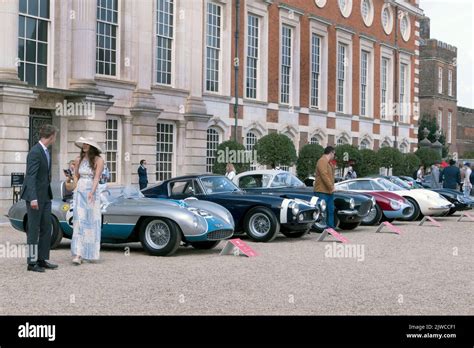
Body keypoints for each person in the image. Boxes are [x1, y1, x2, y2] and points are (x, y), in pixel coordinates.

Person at [20, 124, 59, 272]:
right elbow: (30, 177)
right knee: (33, 230)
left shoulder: (46, 151)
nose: (55, 138)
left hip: (46, 196)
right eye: (55, 136)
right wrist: (33, 198)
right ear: (52, 136)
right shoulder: (35, 152)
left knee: (46, 227)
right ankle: (31, 263)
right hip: (35, 196)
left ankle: (42, 259)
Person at [70, 137, 105, 265]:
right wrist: (71, 176)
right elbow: (76, 176)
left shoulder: (98, 160)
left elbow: (96, 178)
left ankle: (90, 253)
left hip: (91, 192)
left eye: (87, 144)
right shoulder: (78, 159)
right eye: (83, 143)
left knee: (91, 222)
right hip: (79, 191)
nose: (84, 145)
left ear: (92, 146)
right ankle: (78, 253)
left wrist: (92, 192)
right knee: (79, 221)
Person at [314, 146, 336, 229]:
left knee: (330, 210)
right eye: (334, 154)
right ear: (331, 153)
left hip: (329, 191)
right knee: (322, 211)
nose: (334, 156)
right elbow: (324, 175)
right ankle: (320, 227)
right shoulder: (322, 161)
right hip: (322, 191)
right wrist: (331, 187)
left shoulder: (328, 163)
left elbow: (329, 176)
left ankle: (330, 229)